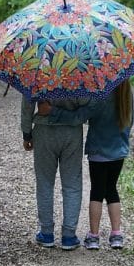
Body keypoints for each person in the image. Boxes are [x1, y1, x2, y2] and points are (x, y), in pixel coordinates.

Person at [37, 79, 133, 250]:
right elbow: (129, 122)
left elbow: (79, 117)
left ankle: (94, 236)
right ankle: (116, 234)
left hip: (98, 150)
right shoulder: (126, 94)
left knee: (97, 191)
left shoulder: (99, 94)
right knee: (111, 189)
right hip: (119, 150)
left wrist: (52, 111)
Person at [21, 95, 88, 250]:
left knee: (44, 182)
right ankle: (69, 236)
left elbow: (27, 104)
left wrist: (26, 133)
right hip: (72, 132)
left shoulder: (35, 72)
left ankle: (46, 233)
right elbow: (87, 105)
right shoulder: (80, 72)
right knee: (72, 183)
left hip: (44, 131)